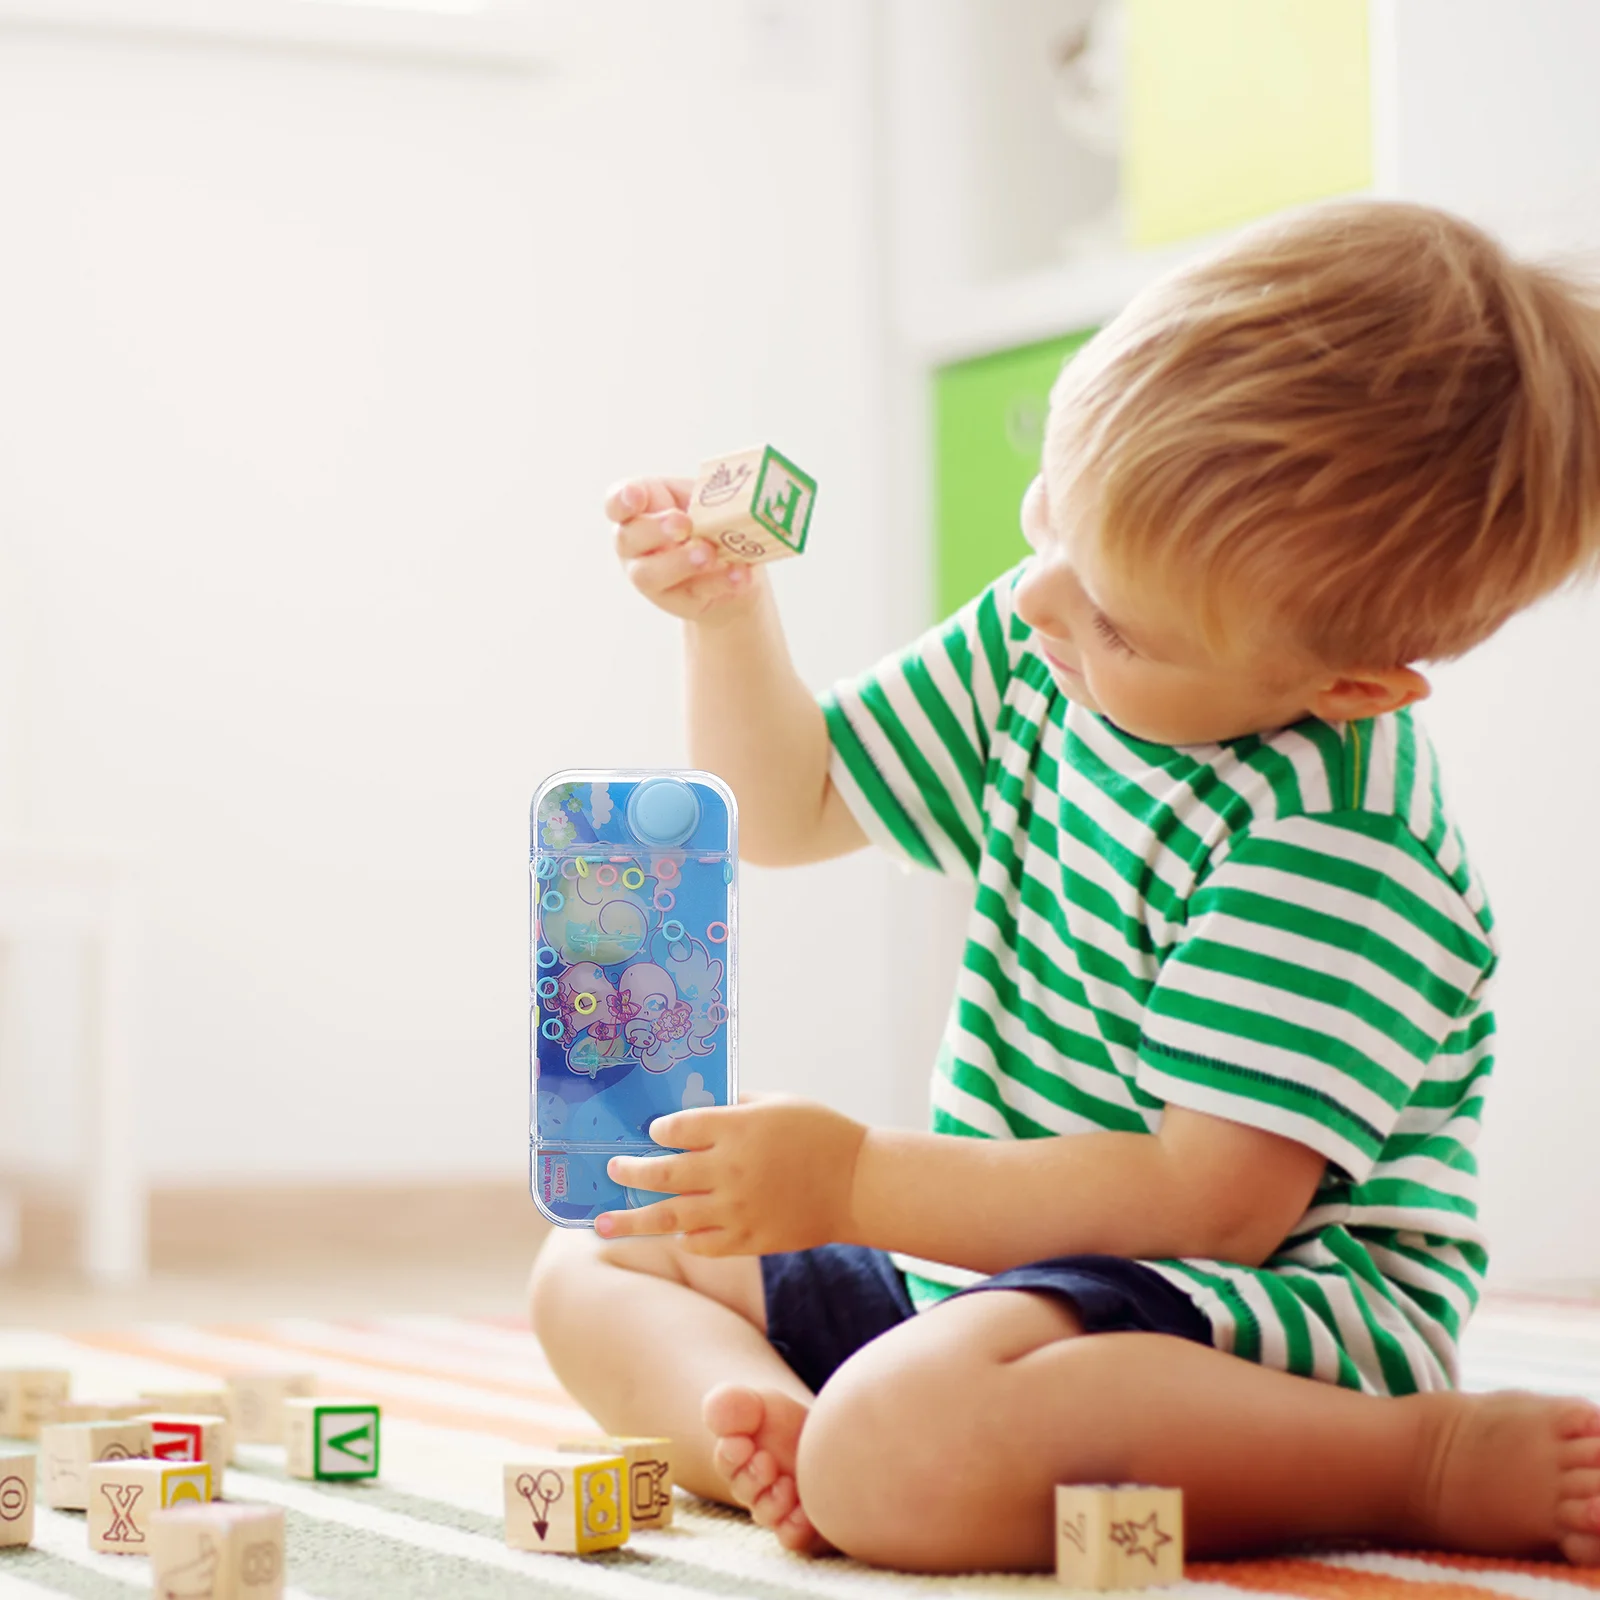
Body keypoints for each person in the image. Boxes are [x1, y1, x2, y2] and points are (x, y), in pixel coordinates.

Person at [529, 199, 1600, 1574]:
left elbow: (1206, 1205)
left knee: (916, 1429)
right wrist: (729, 621)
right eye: (1053, 520)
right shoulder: (1054, 639)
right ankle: (796, 1438)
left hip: (1246, 1322)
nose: (1039, 604)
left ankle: (1422, 1462)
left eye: (1117, 621)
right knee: (603, 1250)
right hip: (991, 1284)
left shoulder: (1338, 845)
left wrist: (855, 1178)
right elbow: (790, 806)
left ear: (1348, 688)